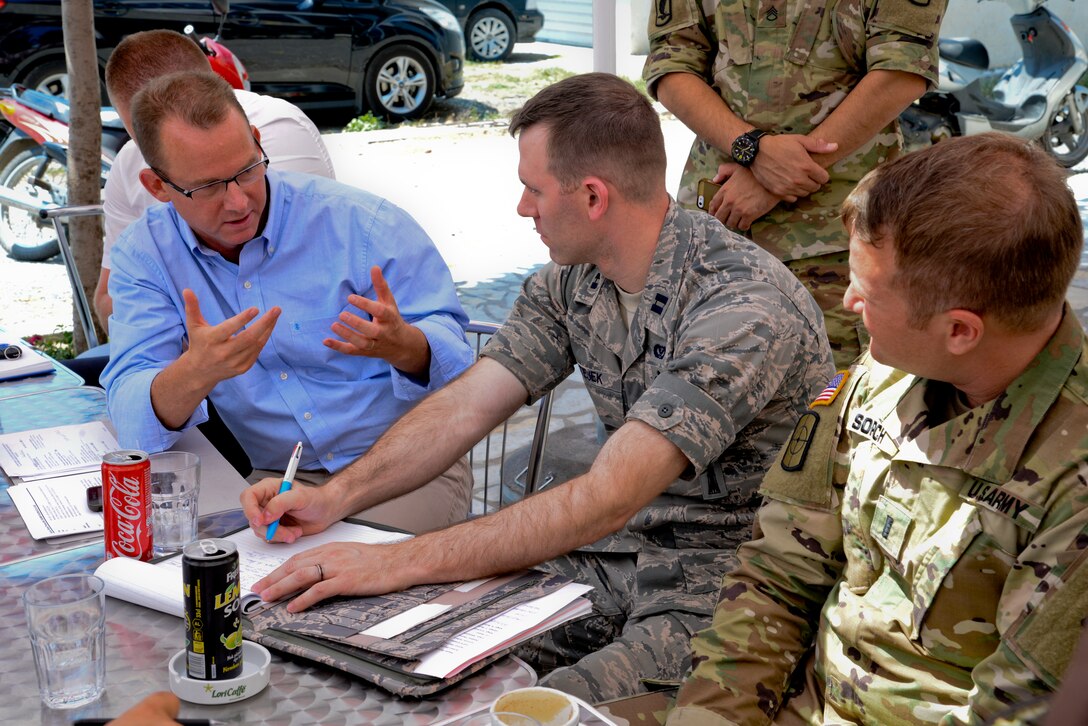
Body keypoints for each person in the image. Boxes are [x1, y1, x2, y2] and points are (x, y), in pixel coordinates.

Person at [242, 73, 833, 702]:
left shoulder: (741, 307)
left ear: (593, 197)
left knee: (536, 709)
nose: (524, 208)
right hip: (614, 557)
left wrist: (391, 560)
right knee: (382, 652)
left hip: (732, 581)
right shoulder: (573, 280)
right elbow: (468, 405)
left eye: (534, 189)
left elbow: (608, 495)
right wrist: (335, 498)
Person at [668, 132, 1088, 724]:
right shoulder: (890, 366)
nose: (846, 303)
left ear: (960, 330)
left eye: (867, 294)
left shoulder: (1074, 483)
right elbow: (777, 576)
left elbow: (1018, 710)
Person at [100, 70, 474, 534]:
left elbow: (464, 368)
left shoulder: (363, 224)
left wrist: (408, 347)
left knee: (348, 582)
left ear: (257, 142)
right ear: (158, 187)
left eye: (246, 171)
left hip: (401, 468)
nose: (238, 202)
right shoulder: (147, 253)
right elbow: (132, 414)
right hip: (272, 479)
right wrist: (197, 370)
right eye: (209, 187)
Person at [643, 0, 945, 368]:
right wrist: (752, 149)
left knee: (830, 404)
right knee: (701, 388)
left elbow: (901, 69)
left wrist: (778, 175)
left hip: (841, 241)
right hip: (720, 228)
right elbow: (671, 65)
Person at [93, 29, 336, 327]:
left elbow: (300, 282)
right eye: (144, 131)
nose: (235, 201)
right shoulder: (130, 160)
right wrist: (162, 345)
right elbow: (108, 299)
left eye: (245, 171)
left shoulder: (278, 127)